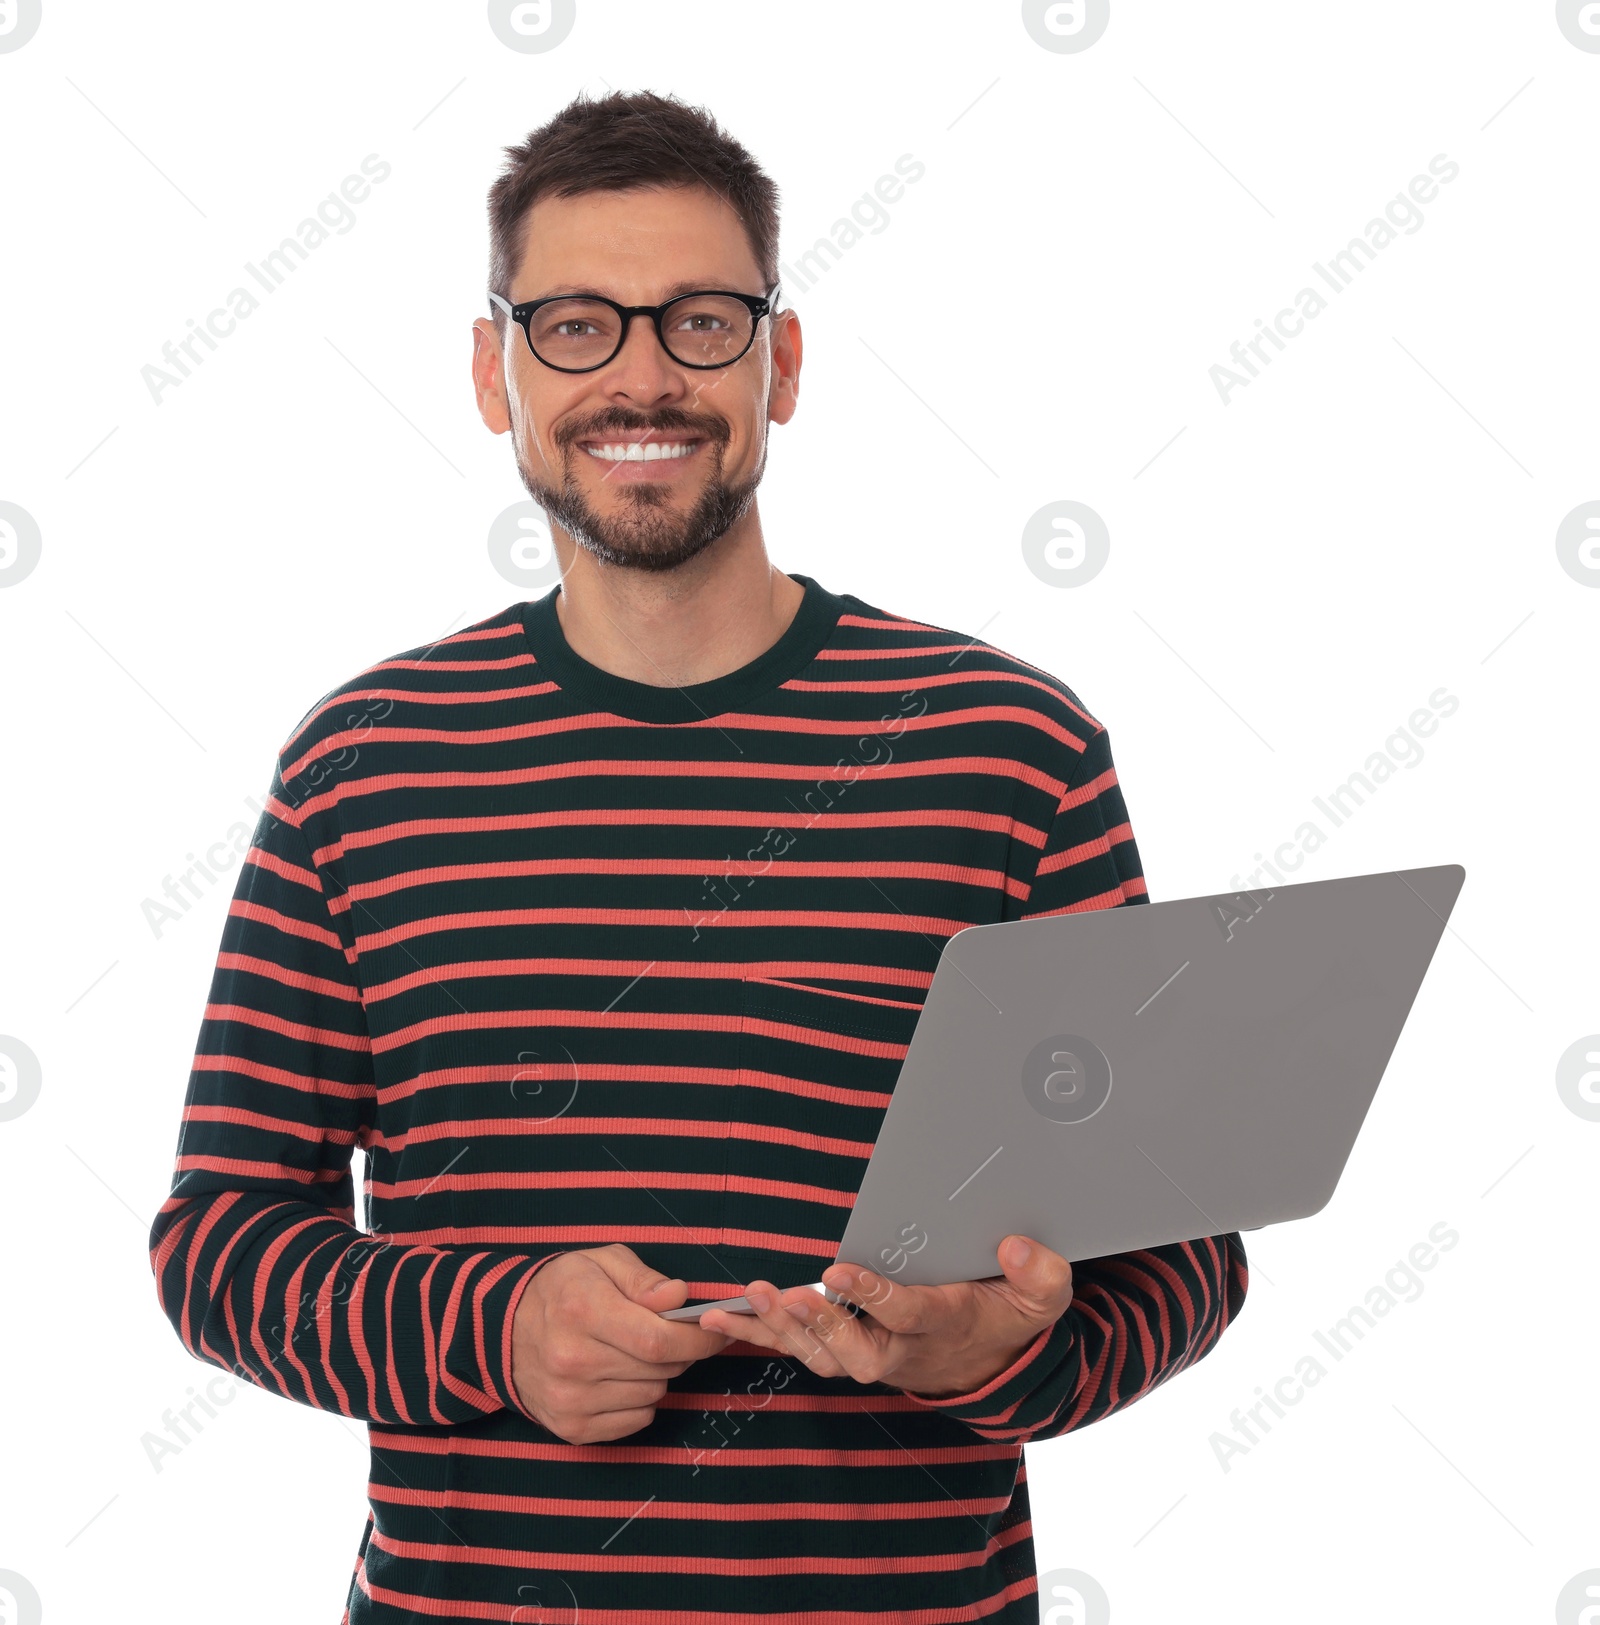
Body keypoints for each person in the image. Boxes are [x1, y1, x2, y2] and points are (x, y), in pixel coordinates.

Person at [149, 88, 1248, 1623]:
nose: (645, 375)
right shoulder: (365, 761)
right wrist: (495, 1326)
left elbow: (1184, 1252)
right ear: (496, 372)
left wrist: (1005, 1348)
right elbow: (219, 1240)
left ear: (782, 361)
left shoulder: (1009, 745)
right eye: (578, 324)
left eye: (704, 322)